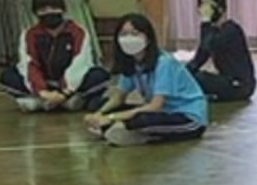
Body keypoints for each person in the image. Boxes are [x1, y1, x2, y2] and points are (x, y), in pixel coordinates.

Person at [82, 15, 209, 146]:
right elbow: (118, 97)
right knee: (98, 103)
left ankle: (139, 135)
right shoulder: (132, 63)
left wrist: (111, 118)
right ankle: (120, 130)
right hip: (161, 114)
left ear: (147, 38)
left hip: (187, 118)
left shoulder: (164, 63)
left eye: (135, 33)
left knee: (142, 119)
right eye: (124, 34)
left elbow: (155, 106)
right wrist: (99, 113)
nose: (129, 38)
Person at [0, 0, 109, 112]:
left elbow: (80, 62)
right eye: (43, 9)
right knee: (8, 77)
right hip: (44, 83)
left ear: (63, 10)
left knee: (99, 76)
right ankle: (42, 101)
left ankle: (65, 100)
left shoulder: (78, 31)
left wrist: (65, 92)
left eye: (54, 8)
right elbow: (29, 64)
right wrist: (43, 91)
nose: (49, 12)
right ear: (36, 13)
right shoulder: (29, 34)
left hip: (72, 85)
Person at [188, 0, 257, 103]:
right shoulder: (212, 31)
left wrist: (205, 23)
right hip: (226, 79)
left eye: (206, 4)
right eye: (201, 4)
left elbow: (210, 44)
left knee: (201, 78)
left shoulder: (231, 30)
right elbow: (200, 57)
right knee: (192, 75)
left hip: (240, 85)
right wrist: (183, 73)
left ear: (219, 8)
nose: (202, 9)